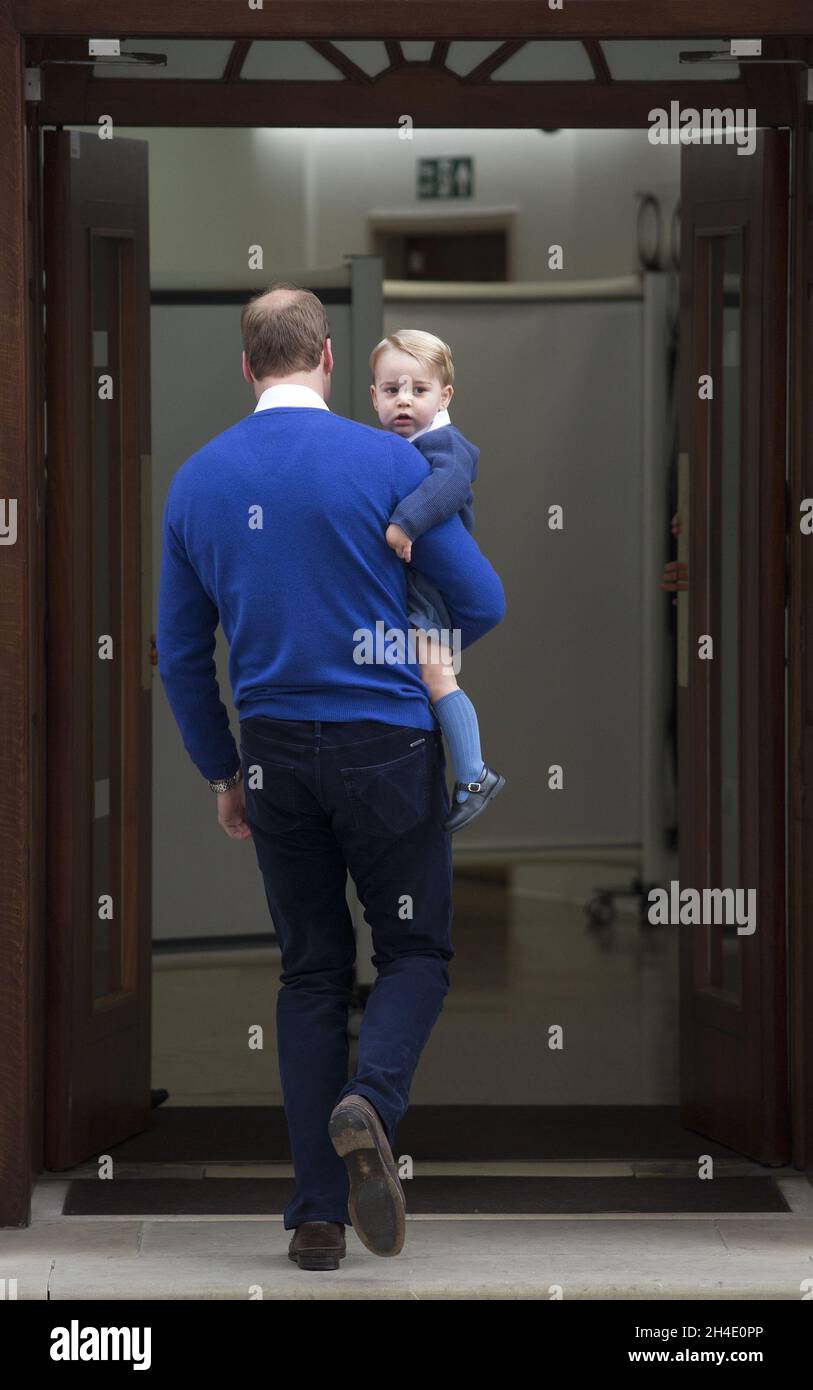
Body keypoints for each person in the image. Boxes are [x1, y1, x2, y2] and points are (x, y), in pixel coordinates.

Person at [156, 283, 506, 1271]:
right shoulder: (388, 459)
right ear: (323, 361)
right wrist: (396, 637)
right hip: (388, 749)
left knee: (310, 971)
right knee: (416, 952)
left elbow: (181, 656)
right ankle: (374, 1103)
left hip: (272, 754)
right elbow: (481, 601)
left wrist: (223, 768)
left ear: (246, 367)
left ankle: (315, 1215)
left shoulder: (197, 481)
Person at [370, 328, 505, 833]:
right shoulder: (394, 445)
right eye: (391, 390)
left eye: (418, 390)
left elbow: (448, 487)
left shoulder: (447, 445)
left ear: (445, 396)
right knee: (420, 677)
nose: (403, 400)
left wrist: (405, 523)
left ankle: (474, 775)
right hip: (411, 587)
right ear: (373, 396)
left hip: (428, 591)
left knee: (437, 676)